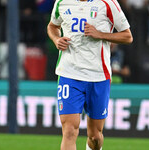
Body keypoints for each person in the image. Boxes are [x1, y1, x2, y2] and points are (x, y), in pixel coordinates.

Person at [47, 0, 133, 150]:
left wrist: (100, 34)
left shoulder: (108, 3)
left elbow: (127, 36)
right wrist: (56, 39)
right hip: (69, 73)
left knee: (95, 136)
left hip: (98, 76)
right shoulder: (62, 2)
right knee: (69, 131)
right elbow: (53, 26)